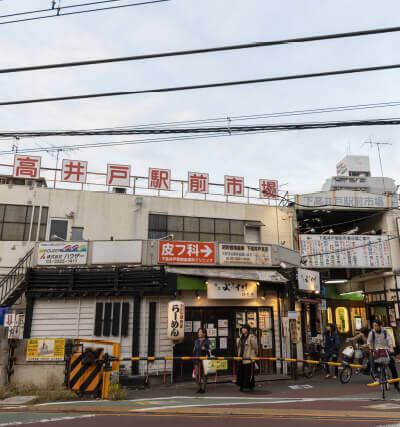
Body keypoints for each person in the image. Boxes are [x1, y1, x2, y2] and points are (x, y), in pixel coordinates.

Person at [367, 320, 400, 391]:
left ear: (380, 326)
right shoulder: (371, 333)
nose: (374, 327)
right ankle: (375, 373)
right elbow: (369, 342)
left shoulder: (385, 331)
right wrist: (371, 348)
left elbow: (390, 340)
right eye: (373, 326)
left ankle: (396, 385)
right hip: (376, 350)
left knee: (392, 365)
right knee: (371, 357)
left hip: (386, 350)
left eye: (376, 326)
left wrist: (391, 348)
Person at [236, 324, 258, 392]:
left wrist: (254, 356)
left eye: (245, 328)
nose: (243, 330)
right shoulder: (240, 337)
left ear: (248, 330)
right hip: (241, 357)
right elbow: (238, 347)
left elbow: (255, 347)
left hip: (249, 358)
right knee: (241, 373)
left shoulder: (251, 337)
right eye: (242, 328)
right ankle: (241, 386)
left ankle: (251, 386)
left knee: (248, 373)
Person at [193, 328, 210, 393]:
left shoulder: (207, 341)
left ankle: (203, 388)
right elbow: (195, 349)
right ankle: (199, 387)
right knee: (196, 374)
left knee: (205, 374)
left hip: (205, 360)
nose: (199, 333)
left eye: (200, 332)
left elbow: (210, 350)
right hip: (197, 360)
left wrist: (205, 349)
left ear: (204, 333)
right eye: (198, 332)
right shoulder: (196, 341)